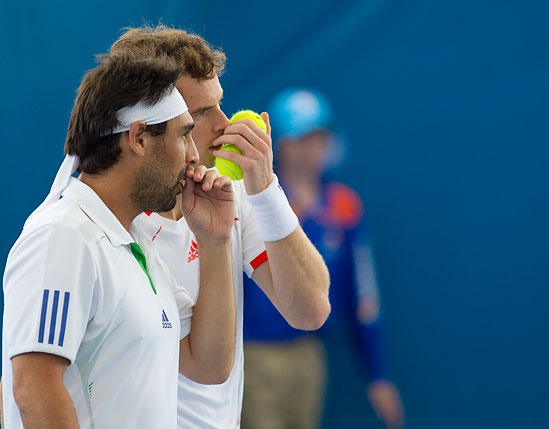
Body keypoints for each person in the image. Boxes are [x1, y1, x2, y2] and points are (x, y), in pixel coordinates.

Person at [108, 25, 332, 428]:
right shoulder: (106, 220)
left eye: (220, 105)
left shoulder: (232, 192)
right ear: (145, 129)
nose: (224, 124)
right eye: (200, 114)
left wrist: (265, 188)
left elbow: (310, 310)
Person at [1, 49, 238, 427]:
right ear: (139, 138)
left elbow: (208, 365)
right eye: (184, 135)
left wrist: (215, 241)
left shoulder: (135, 245)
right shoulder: (63, 238)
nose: (194, 156)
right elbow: (34, 386)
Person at [242, 87, 405, 429]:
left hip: (309, 352)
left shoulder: (344, 206)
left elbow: (364, 297)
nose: (313, 147)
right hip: (253, 354)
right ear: (281, 144)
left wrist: (378, 374)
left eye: (320, 136)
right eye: (302, 138)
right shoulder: (252, 200)